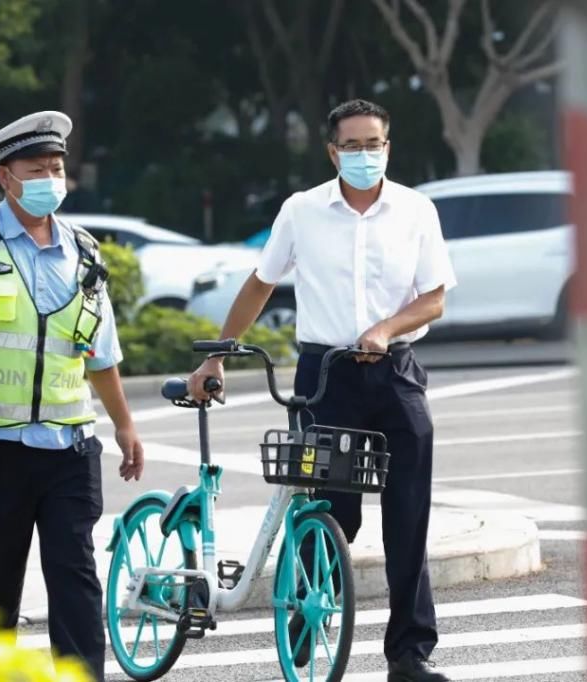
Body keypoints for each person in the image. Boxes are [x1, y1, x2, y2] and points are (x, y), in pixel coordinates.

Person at [188, 99, 457, 682]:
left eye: (375, 144)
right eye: (354, 146)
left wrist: (386, 329)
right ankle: (305, 621)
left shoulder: (415, 210)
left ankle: (409, 654)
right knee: (331, 510)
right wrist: (217, 356)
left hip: (396, 372)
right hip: (325, 379)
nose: (366, 155)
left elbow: (434, 297)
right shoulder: (302, 211)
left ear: (390, 146)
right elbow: (261, 285)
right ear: (333, 151)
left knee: (407, 516)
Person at [0, 111, 144, 681]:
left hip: (70, 447)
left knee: (75, 579)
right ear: (5, 177)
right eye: (36, 169)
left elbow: (100, 351)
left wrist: (124, 424)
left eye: (57, 167)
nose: (50, 178)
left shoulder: (86, 251)